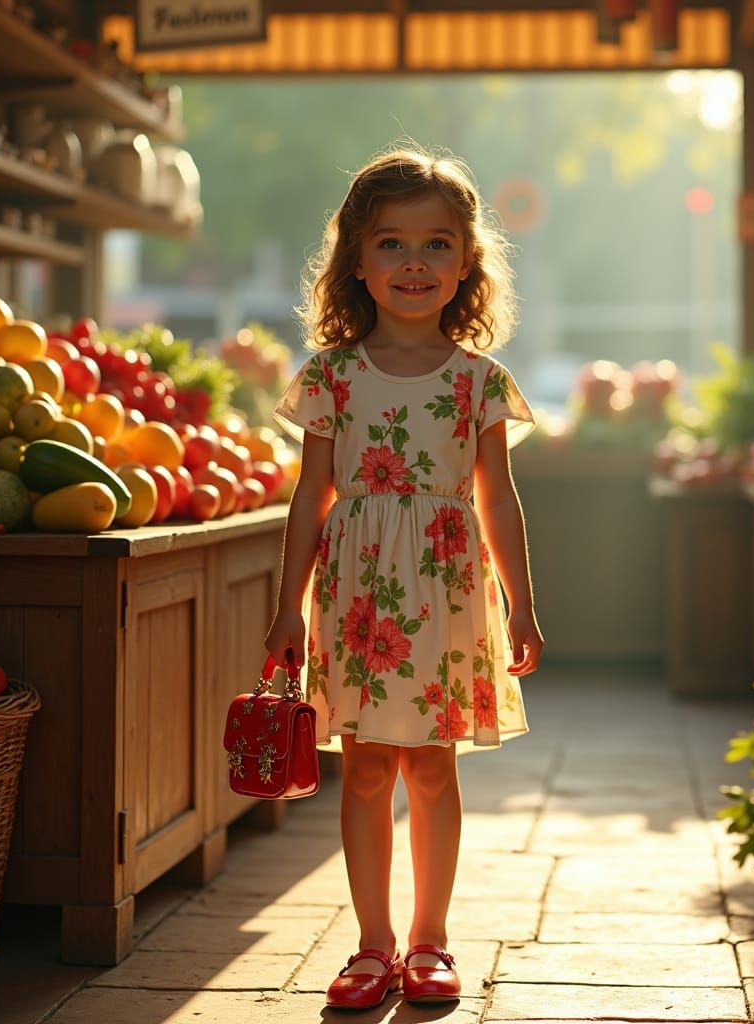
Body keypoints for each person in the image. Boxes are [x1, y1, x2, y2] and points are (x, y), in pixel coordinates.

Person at [265, 146, 543, 1010]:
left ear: (466, 264)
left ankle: (431, 942)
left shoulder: (479, 383)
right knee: (369, 765)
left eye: (437, 244)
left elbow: (498, 501)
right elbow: (311, 498)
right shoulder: (330, 378)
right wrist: (287, 608)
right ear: (356, 258)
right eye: (391, 243)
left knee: (431, 768)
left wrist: (521, 603)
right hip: (357, 600)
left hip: (448, 594)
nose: (414, 263)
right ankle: (371, 945)